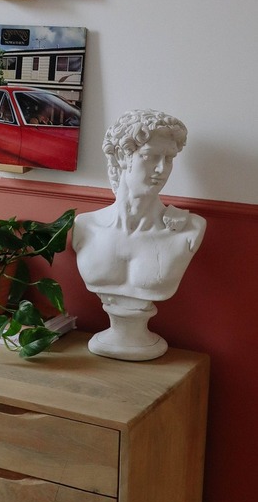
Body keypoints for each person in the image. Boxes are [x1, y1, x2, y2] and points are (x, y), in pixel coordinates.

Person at [73, 110, 206, 359]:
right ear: (123, 157)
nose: (161, 168)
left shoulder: (189, 229)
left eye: (169, 159)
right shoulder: (85, 226)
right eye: (150, 156)